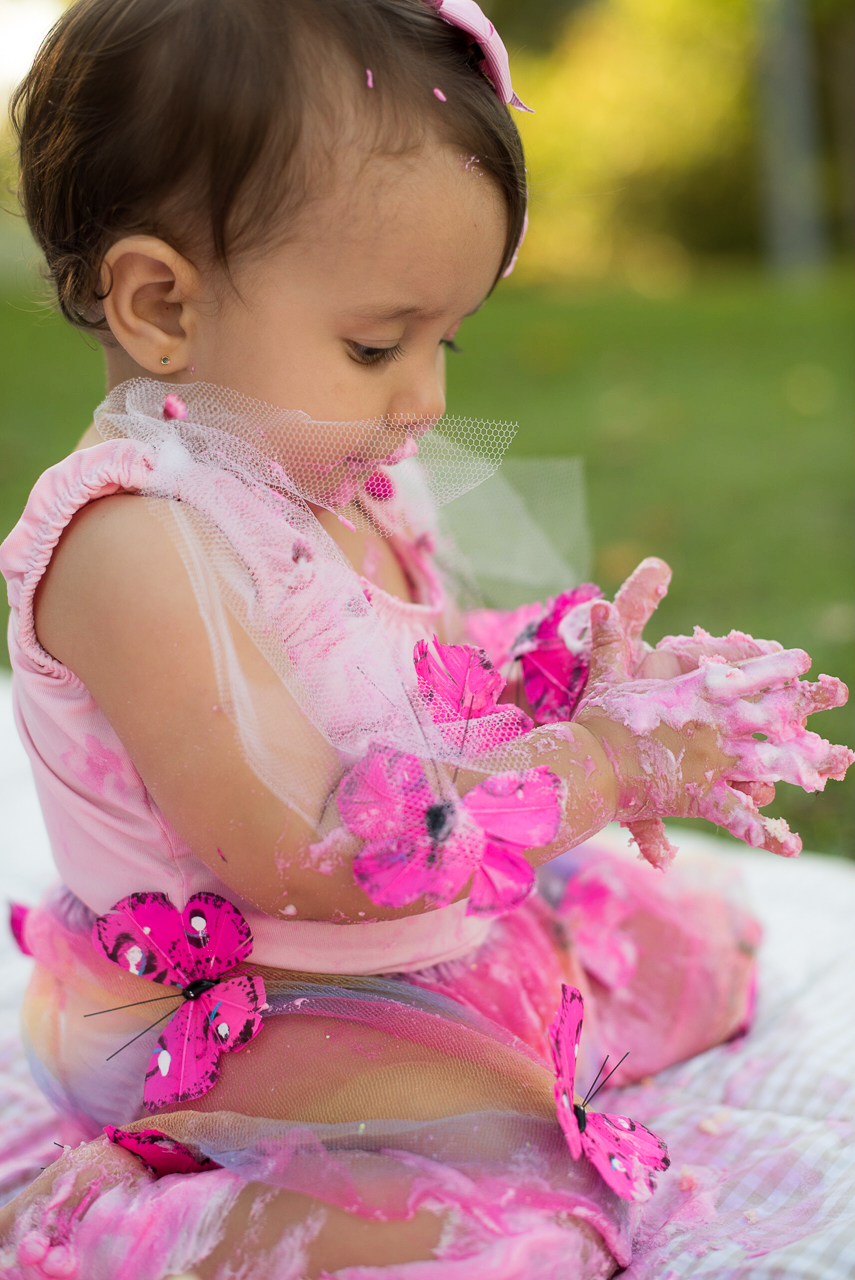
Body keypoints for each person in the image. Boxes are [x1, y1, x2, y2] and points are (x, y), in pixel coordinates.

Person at [0, 1, 851, 1275]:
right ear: (160, 304)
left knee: (684, 945)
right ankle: (122, 1214)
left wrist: (579, 686)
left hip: (388, 948)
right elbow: (316, 844)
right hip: (236, 1003)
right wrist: (596, 767)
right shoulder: (135, 544)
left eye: (444, 338)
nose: (430, 399)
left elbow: (415, 688)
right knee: (531, 1214)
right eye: (376, 344)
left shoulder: (350, 477)